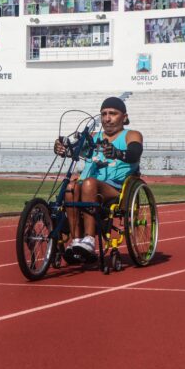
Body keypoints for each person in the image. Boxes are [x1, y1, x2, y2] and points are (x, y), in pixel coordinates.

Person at [53, 97, 143, 262]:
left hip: (115, 189)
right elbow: (74, 150)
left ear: (124, 117)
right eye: (104, 114)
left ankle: (89, 240)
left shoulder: (131, 134)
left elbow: (135, 153)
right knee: (70, 186)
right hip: (86, 186)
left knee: (88, 183)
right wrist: (62, 148)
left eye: (113, 114)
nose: (107, 118)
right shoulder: (93, 136)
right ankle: (76, 241)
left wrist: (118, 153)